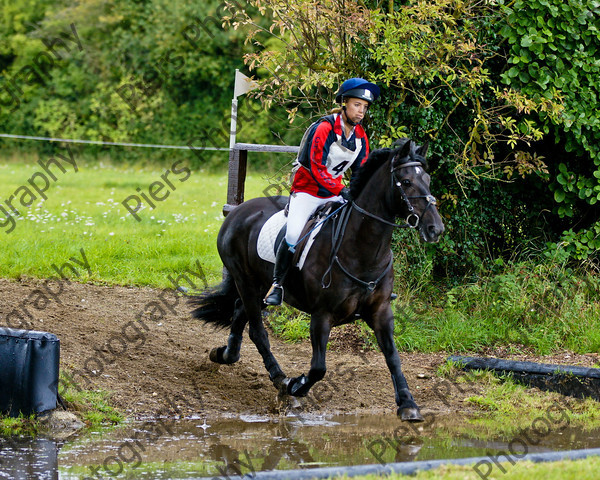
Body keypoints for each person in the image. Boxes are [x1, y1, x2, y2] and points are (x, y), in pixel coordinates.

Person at [264, 77, 380, 305]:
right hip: (307, 192)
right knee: (293, 234)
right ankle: (277, 285)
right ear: (344, 103)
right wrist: (341, 189)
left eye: (365, 107)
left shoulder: (360, 138)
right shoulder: (324, 128)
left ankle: (367, 284)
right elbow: (317, 167)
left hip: (334, 193)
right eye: (357, 105)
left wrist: (357, 192)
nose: (361, 111)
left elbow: (360, 171)